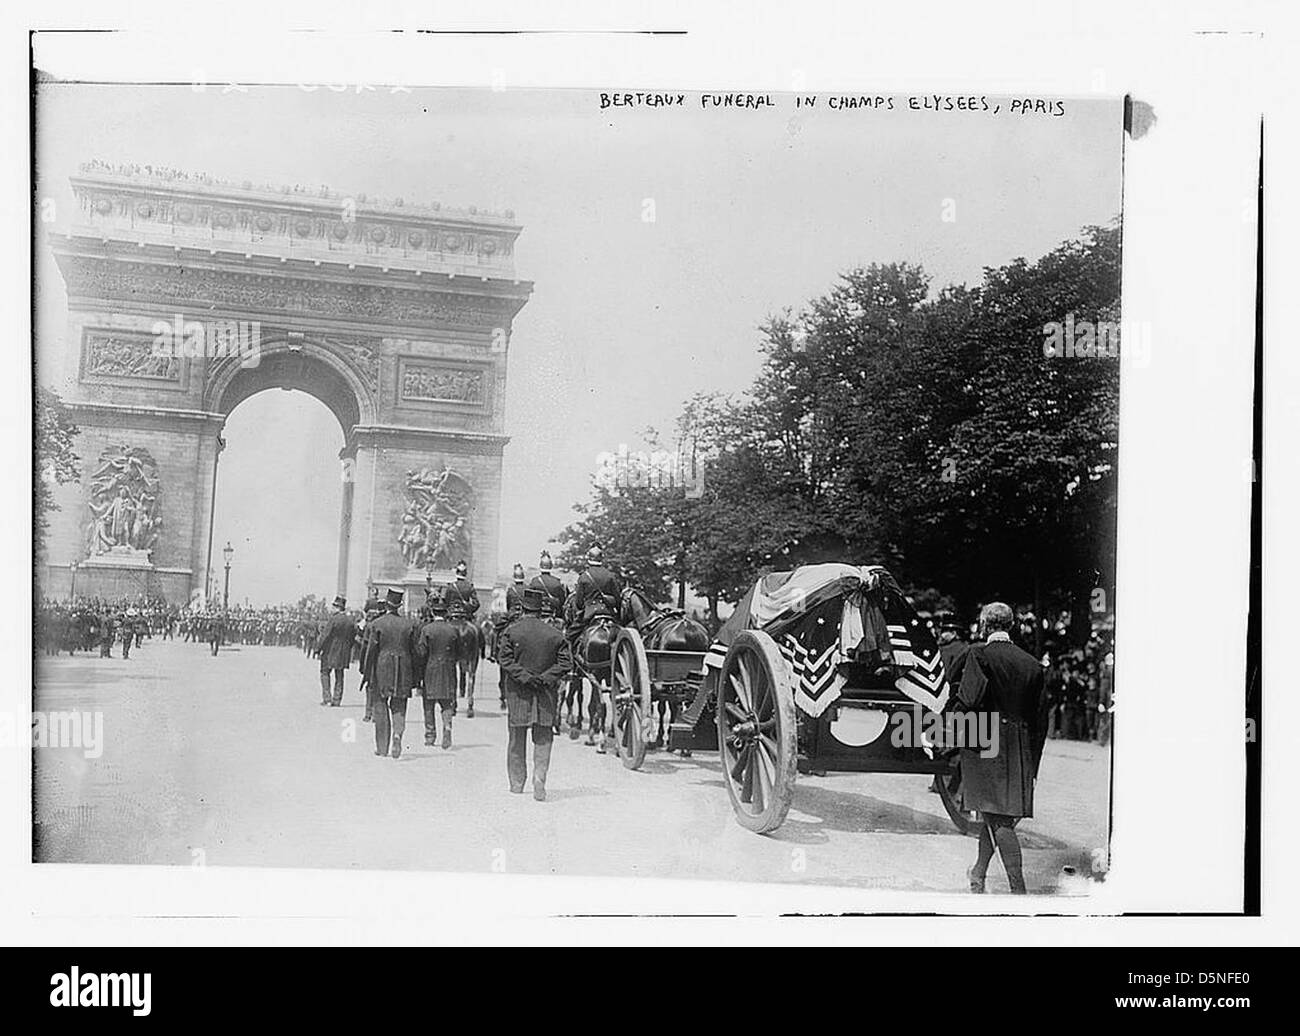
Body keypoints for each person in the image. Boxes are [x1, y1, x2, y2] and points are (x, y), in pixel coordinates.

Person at [955, 602, 1047, 894]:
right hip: (1020, 748)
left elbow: (969, 700)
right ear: (1011, 626)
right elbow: (1040, 720)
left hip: (987, 745)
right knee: (997, 815)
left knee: (998, 819)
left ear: (984, 625)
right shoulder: (1033, 664)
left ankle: (1018, 891)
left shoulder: (978, 655)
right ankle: (978, 873)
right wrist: (1032, 763)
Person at [496, 587, 573, 801]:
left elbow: (505, 660)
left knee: (516, 738)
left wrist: (525, 676)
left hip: (519, 692)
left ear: (523, 608)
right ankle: (540, 779)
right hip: (545, 693)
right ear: (541, 610)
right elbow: (566, 663)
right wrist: (545, 678)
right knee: (543, 737)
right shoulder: (555, 634)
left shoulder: (512, 631)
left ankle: (517, 783)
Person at [363, 588, 418, 759]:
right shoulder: (410, 624)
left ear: (386, 604)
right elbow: (416, 652)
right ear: (399, 605)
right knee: (399, 705)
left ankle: (382, 747)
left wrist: (366, 673)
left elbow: (371, 651)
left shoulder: (376, 624)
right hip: (404, 668)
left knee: (380, 704)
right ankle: (397, 735)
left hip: (382, 667)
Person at [415, 592, 459, 749]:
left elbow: (421, 654)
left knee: (428, 704)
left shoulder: (427, 630)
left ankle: (430, 735)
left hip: (431, 670)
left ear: (433, 612)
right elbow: (458, 653)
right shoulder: (453, 630)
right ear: (445, 613)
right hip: (448, 669)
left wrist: (419, 676)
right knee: (447, 703)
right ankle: (447, 728)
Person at [317, 594, 358, 707]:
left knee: (325, 673)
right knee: (339, 675)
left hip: (330, 651)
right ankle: (337, 699)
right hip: (343, 652)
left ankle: (327, 698)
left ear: (337, 607)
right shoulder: (350, 621)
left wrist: (318, 649)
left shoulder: (333, 619)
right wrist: (348, 648)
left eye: (334, 606)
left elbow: (325, 635)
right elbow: (353, 636)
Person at [571, 545, 621, 623]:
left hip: (589, 614)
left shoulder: (584, 576)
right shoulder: (610, 575)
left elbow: (579, 602)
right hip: (609, 614)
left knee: (571, 633)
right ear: (601, 558)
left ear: (589, 558)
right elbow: (618, 599)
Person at [528, 550, 569, 622]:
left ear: (540, 565)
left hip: (537, 614)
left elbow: (530, 601)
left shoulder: (534, 581)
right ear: (551, 566)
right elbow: (562, 601)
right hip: (553, 614)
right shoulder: (557, 582)